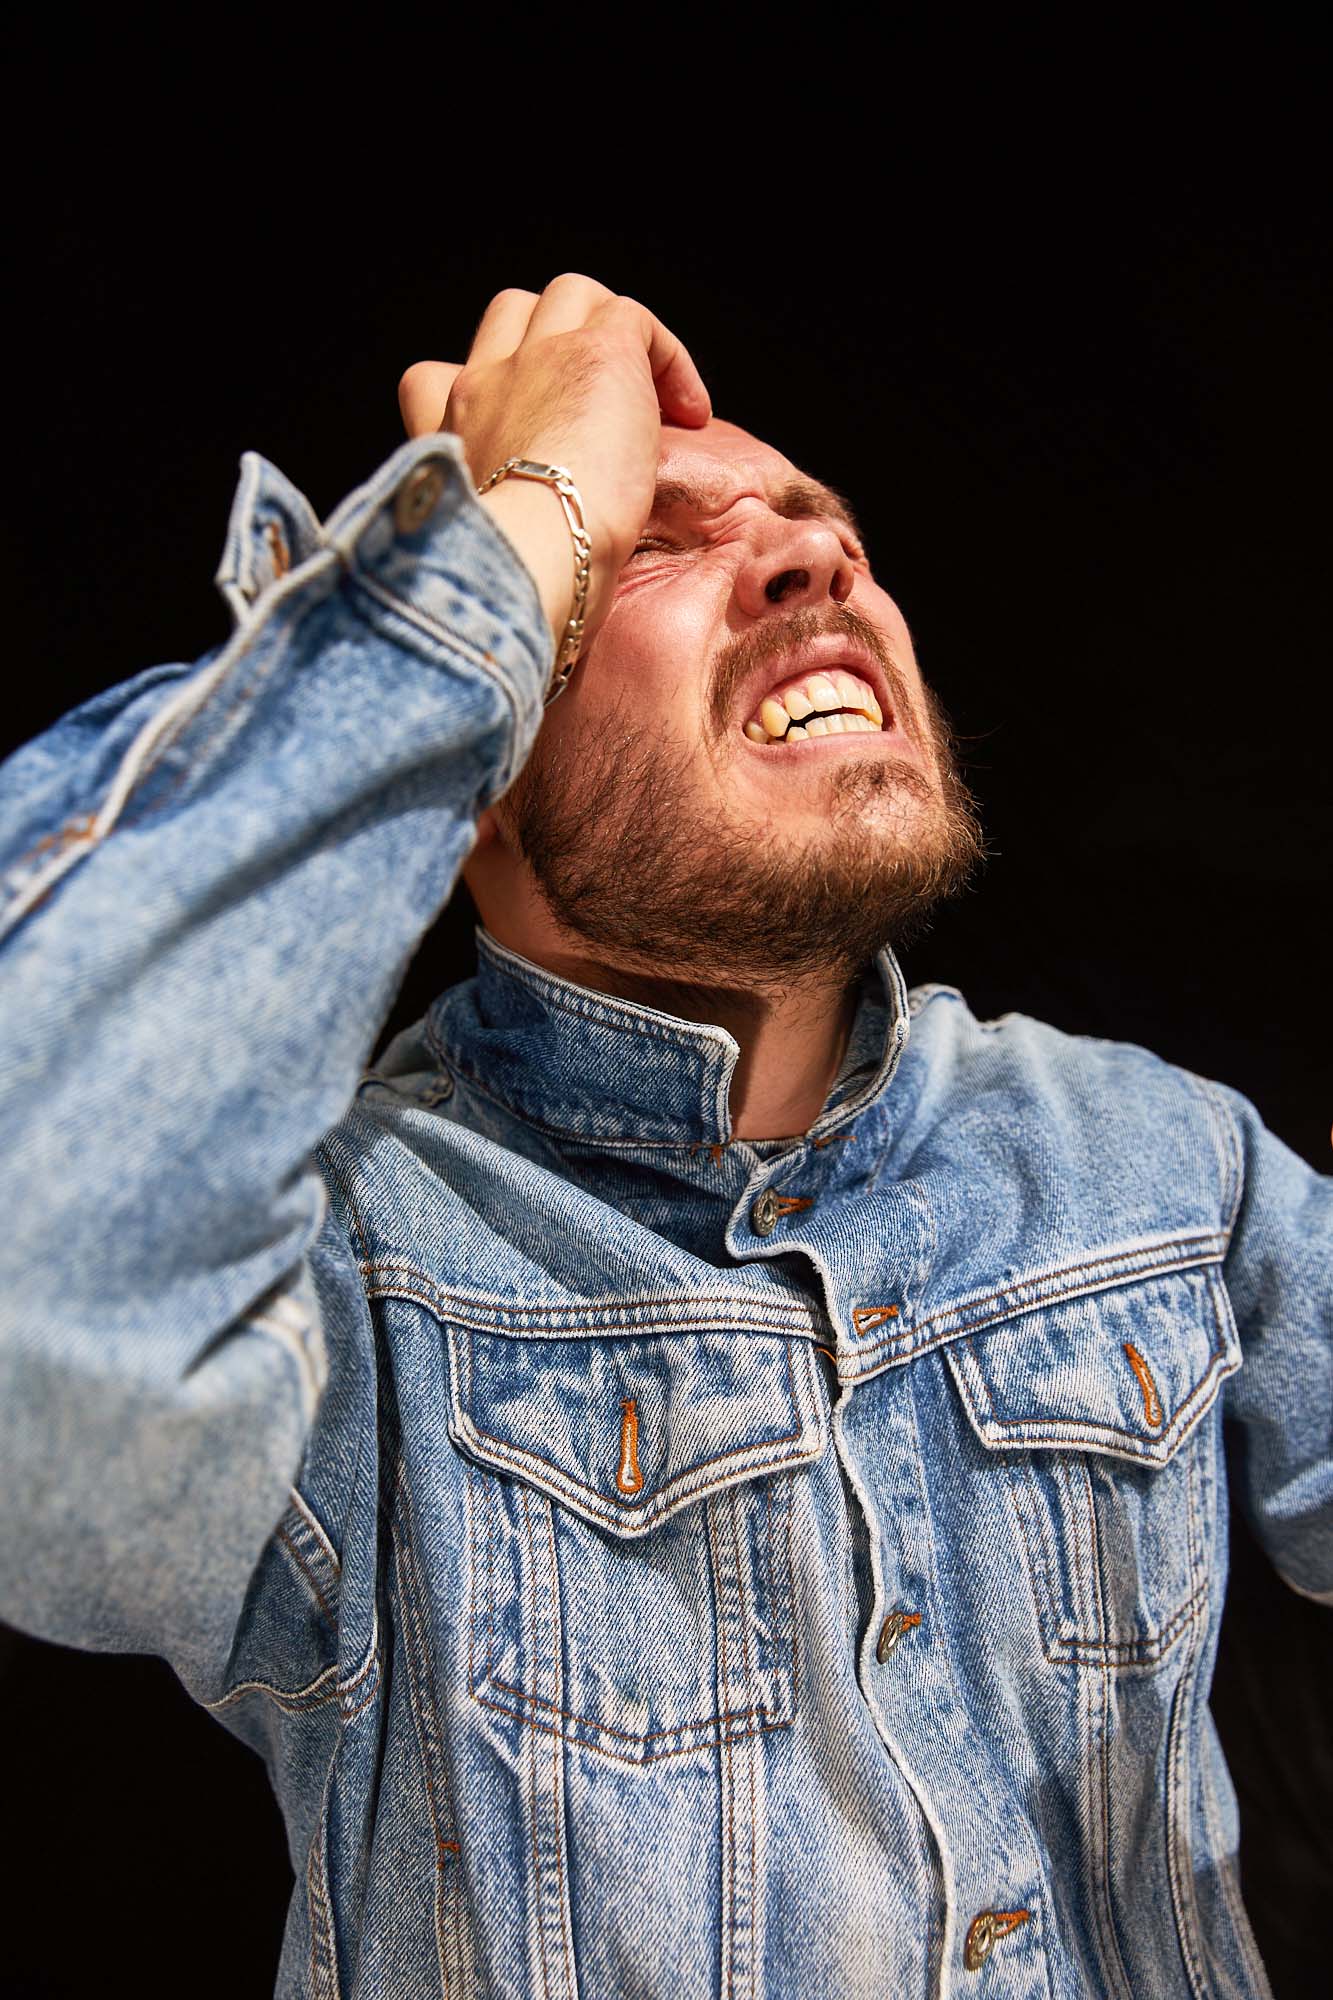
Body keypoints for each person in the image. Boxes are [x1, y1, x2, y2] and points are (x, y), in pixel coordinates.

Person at [0, 273, 1326, 2000]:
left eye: (822, 526)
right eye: (652, 544)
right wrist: (503, 534)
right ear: (480, 768)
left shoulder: (1150, 1152)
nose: (810, 557)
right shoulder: (345, 1272)